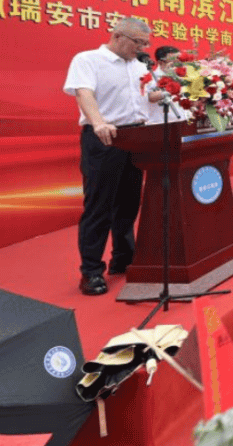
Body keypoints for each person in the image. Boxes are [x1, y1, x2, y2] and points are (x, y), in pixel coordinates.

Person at [63, 18, 164, 296]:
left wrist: (174, 91)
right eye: (138, 42)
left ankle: (123, 258)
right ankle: (91, 271)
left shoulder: (140, 65)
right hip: (105, 137)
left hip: (136, 138)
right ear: (117, 35)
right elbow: (84, 93)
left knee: (129, 203)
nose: (142, 48)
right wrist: (98, 122)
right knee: (99, 206)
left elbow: (143, 97)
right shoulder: (89, 59)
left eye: (146, 43)